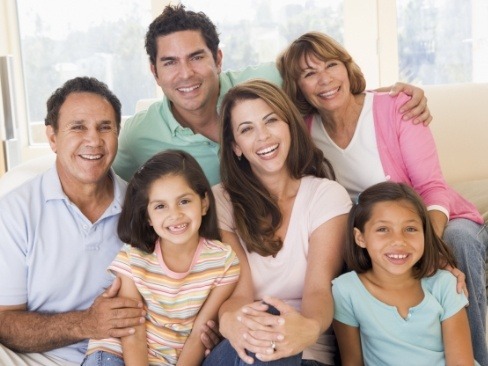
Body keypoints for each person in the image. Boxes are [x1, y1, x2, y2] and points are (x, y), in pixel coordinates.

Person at [278, 31, 488, 365]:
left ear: (347, 69)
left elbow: (433, 187)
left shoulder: (396, 108)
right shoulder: (302, 131)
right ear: (297, 86)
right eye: (309, 73)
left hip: (433, 217)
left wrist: (429, 248)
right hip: (370, 230)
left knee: (458, 241)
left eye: (331, 65)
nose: (325, 79)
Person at [113, 4, 431, 186]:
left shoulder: (265, 81)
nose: (185, 74)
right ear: (154, 71)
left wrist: (392, 98)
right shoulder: (137, 136)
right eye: (170, 62)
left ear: (218, 59)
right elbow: (107, 188)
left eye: (197, 57)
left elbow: (326, 83)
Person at [202, 79, 352, 366]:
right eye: (247, 129)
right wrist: (229, 320)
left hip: (308, 352)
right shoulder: (220, 201)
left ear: (289, 126)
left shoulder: (325, 196)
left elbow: (319, 289)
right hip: (243, 349)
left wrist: (305, 328)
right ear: (236, 146)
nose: (263, 136)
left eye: (271, 121)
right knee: (267, 326)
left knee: (276, 332)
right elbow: (240, 292)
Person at [0, 77, 146, 366]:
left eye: (105, 127)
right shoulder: (14, 211)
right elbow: (4, 321)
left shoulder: (144, 207)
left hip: (131, 354)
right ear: (53, 138)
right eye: (78, 127)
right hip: (43, 359)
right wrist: (85, 324)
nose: (93, 140)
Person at [82, 150, 240, 366]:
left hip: (175, 359)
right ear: (147, 216)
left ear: (203, 203)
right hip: (120, 352)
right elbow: (133, 331)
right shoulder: (133, 258)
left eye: (184, 201)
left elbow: (198, 335)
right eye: (160, 206)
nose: (174, 214)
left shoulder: (224, 262)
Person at [332, 181, 477, 365]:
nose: (399, 240)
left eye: (410, 229)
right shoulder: (346, 290)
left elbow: (461, 362)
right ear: (360, 238)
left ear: (425, 233)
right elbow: (352, 362)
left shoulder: (445, 285)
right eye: (383, 229)